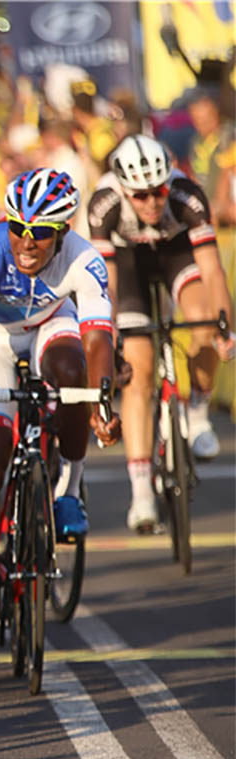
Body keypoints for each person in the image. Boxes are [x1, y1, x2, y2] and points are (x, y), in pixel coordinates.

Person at [0, 168, 121, 643]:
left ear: (62, 231)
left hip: (52, 325)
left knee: (72, 372)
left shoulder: (84, 258)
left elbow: (98, 339)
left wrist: (102, 403)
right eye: (18, 227)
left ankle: (69, 490)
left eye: (41, 232)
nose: (26, 242)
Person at [87, 135, 234, 531]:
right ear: (124, 189)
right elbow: (107, 287)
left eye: (158, 191)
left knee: (203, 319)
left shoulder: (187, 196)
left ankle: (197, 412)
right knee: (138, 372)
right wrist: (111, 341)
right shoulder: (104, 203)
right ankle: (141, 493)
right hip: (128, 266)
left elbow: (213, 271)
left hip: (175, 253)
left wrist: (225, 327)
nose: (152, 202)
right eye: (141, 195)